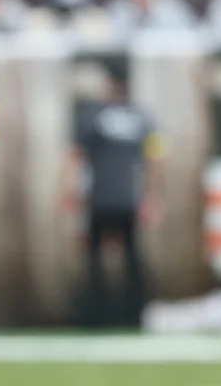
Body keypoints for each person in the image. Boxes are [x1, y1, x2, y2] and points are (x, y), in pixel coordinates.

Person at [64, 60, 166, 326]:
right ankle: (135, 315)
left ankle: (98, 316)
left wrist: (69, 191)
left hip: (99, 198)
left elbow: (75, 157)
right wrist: (152, 196)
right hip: (129, 198)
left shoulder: (92, 115)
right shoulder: (141, 117)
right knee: (133, 259)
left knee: (95, 260)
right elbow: (155, 160)